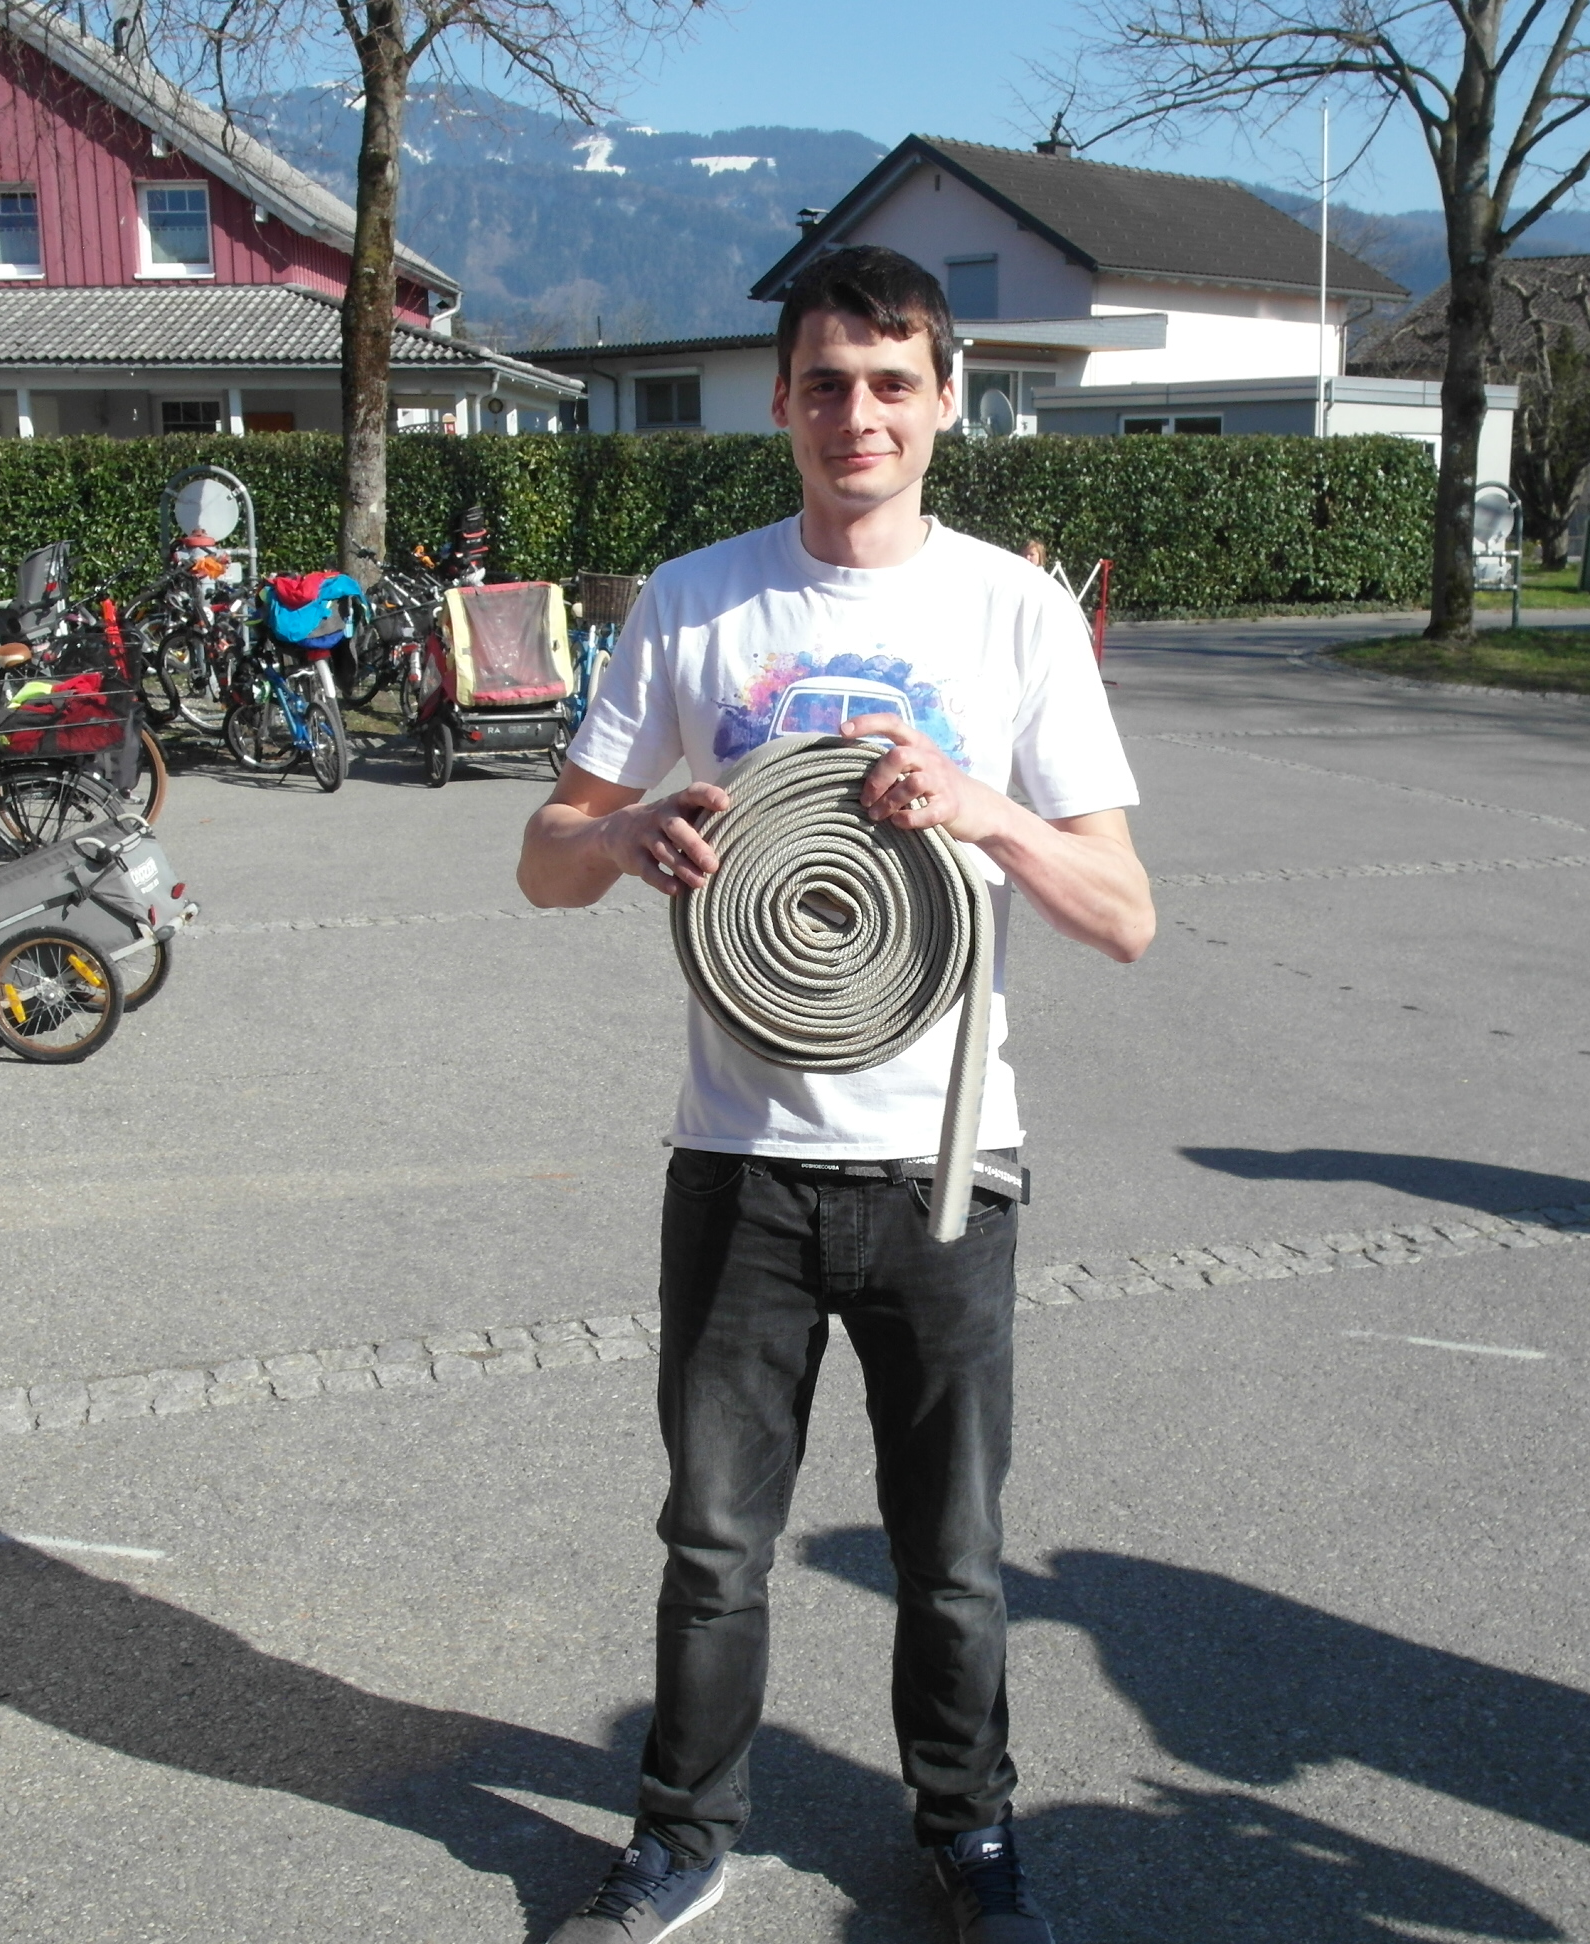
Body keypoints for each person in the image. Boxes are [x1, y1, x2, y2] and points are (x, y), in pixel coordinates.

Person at [516, 244, 1155, 1944]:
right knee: (714, 1543)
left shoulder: (1014, 614)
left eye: (890, 382)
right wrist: (623, 831)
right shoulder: (696, 602)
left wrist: (986, 811)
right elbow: (542, 860)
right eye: (824, 383)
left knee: (952, 1552)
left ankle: (972, 1838)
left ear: (947, 398)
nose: (856, 413)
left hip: (950, 1167)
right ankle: (682, 1837)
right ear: (782, 401)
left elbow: (1125, 914)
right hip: (740, 1161)